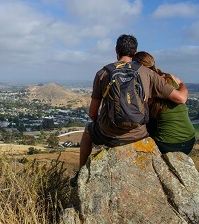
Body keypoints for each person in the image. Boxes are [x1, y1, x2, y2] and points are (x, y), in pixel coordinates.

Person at [71, 35, 189, 186]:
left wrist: (105, 122)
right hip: (139, 134)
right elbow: (180, 98)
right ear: (135, 51)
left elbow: (93, 114)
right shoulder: (148, 73)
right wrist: (183, 86)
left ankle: (80, 174)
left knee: (88, 131)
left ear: (116, 50)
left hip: (109, 133)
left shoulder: (103, 73)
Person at [132, 51, 196, 154]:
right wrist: (183, 85)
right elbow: (181, 87)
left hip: (167, 145)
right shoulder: (170, 77)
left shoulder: (146, 85)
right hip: (190, 141)